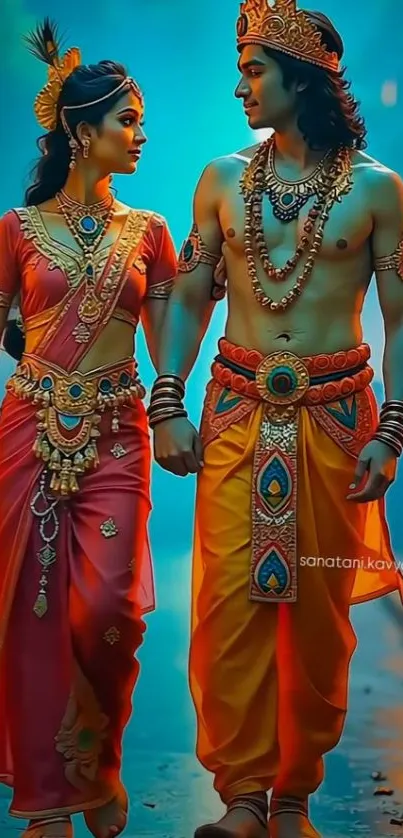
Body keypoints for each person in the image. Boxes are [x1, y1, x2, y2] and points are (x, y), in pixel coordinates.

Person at [149, 1, 403, 836]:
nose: (240, 86)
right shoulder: (222, 180)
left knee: (319, 615)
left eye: (255, 70)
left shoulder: (378, 190)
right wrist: (168, 398)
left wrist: (390, 429)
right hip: (234, 412)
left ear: (304, 78)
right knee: (230, 605)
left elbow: (400, 320)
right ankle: (245, 800)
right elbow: (191, 292)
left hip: (336, 422)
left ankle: (292, 797)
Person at [0, 19, 178, 838]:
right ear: (80, 132)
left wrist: (178, 404)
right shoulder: (15, 230)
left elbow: (168, 343)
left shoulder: (148, 235)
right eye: (126, 121)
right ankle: (46, 802)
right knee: (31, 612)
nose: (139, 136)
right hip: (28, 432)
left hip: (117, 432)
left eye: (139, 121)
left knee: (107, 607)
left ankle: (95, 769)